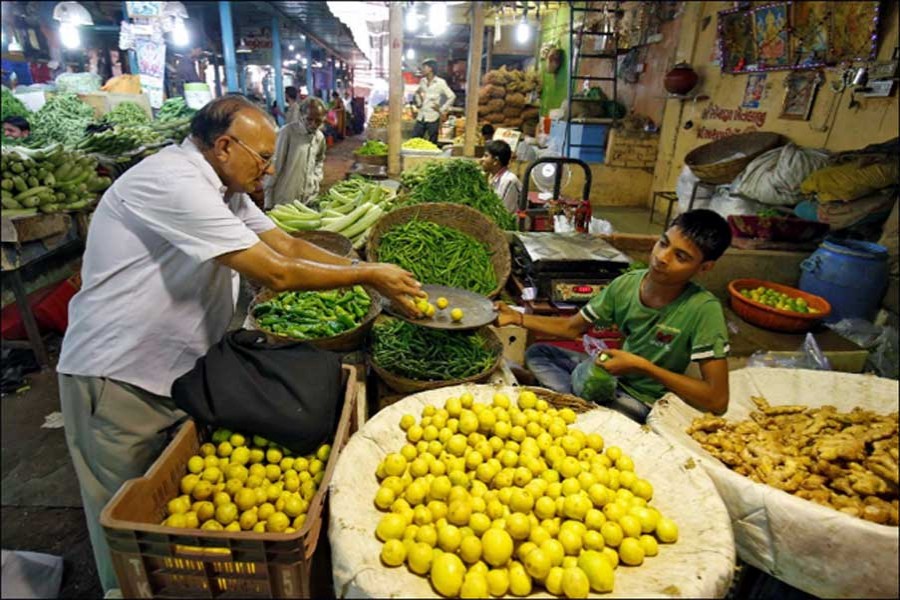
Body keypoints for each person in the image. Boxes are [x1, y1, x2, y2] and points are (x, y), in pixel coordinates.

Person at [56, 95, 423, 595]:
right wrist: (369, 274)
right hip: (117, 374)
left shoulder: (224, 189)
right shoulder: (175, 182)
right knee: (125, 521)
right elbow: (276, 271)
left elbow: (288, 245)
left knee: (172, 512)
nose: (270, 171)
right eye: (264, 158)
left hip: (171, 370)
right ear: (225, 146)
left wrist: (361, 273)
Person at [495, 209, 732, 423]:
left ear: (704, 267)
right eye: (663, 243)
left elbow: (717, 399)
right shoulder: (627, 285)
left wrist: (644, 367)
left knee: (616, 416)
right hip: (611, 375)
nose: (662, 257)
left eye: (680, 257)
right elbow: (571, 328)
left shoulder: (703, 309)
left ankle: (569, 400)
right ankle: (574, 400)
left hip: (643, 401)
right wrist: (518, 318)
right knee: (539, 352)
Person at [264, 97, 327, 208]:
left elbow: (319, 159)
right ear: (301, 116)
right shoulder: (287, 133)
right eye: (309, 119)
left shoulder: (319, 137)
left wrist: (316, 178)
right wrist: (268, 200)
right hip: (285, 198)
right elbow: (275, 166)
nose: (313, 124)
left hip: (308, 198)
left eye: (318, 121)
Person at [412, 58, 456, 143]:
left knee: (432, 142)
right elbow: (418, 92)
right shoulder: (422, 81)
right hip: (421, 116)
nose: (422, 69)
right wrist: (419, 103)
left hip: (433, 117)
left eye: (424, 67)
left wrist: (441, 110)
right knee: (415, 140)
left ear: (431, 69)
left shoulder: (440, 82)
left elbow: (452, 96)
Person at [481, 139, 522, 214]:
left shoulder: (508, 180)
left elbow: (503, 212)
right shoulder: (491, 178)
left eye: (486, 156)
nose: (482, 159)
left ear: (496, 161)